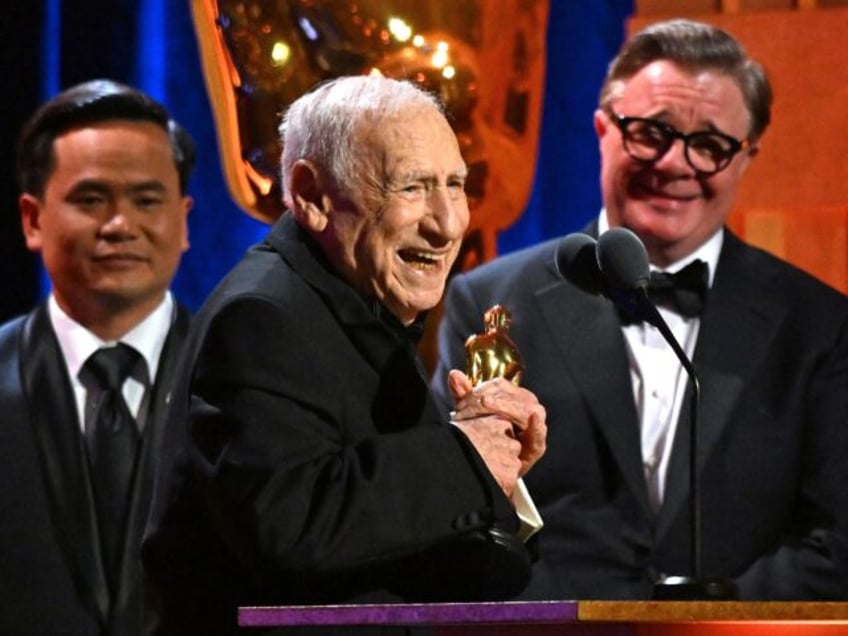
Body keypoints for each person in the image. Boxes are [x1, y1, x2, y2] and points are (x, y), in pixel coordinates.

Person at [433, 18, 848, 600]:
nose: (675, 164)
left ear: (746, 157)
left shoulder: (819, 324)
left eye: (710, 146)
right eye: (651, 132)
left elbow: (836, 538)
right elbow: (458, 514)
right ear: (602, 128)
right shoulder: (492, 303)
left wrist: (708, 621)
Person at [142, 75, 547, 634]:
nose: (448, 223)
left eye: (455, 185)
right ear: (311, 195)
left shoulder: (360, 303)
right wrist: (463, 458)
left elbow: (415, 558)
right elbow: (291, 528)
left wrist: (491, 471)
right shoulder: (262, 318)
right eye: (411, 187)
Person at [0, 79, 194, 634]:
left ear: (183, 219)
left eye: (146, 200)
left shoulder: (243, 382)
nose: (119, 226)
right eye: (91, 200)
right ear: (33, 219)